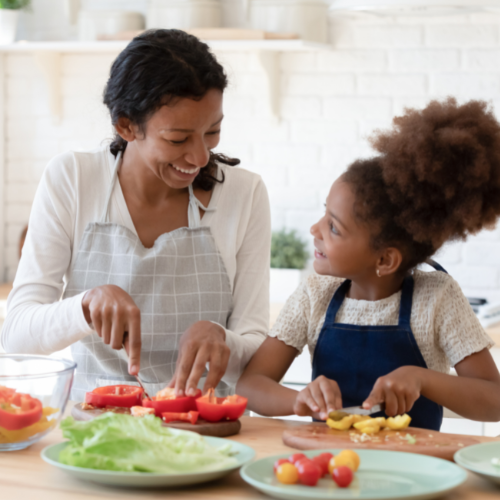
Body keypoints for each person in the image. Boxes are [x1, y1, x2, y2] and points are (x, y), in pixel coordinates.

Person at [2, 29, 271, 401]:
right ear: (126, 125)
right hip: (96, 429)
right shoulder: (73, 179)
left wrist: (224, 339)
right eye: (178, 139)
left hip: (206, 431)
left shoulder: (244, 194)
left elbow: (257, 347)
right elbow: (17, 335)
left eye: (212, 131)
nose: (200, 157)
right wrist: (85, 305)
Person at [237, 98, 500, 430]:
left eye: (334, 227)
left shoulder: (436, 297)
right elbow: (250, 384)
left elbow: (494, 401)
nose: (315, 230)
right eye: (324, 214)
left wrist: (421, 379)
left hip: (411, 471)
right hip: (331, 469)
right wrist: (298, 399)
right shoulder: (315, 294)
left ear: (385, 259)